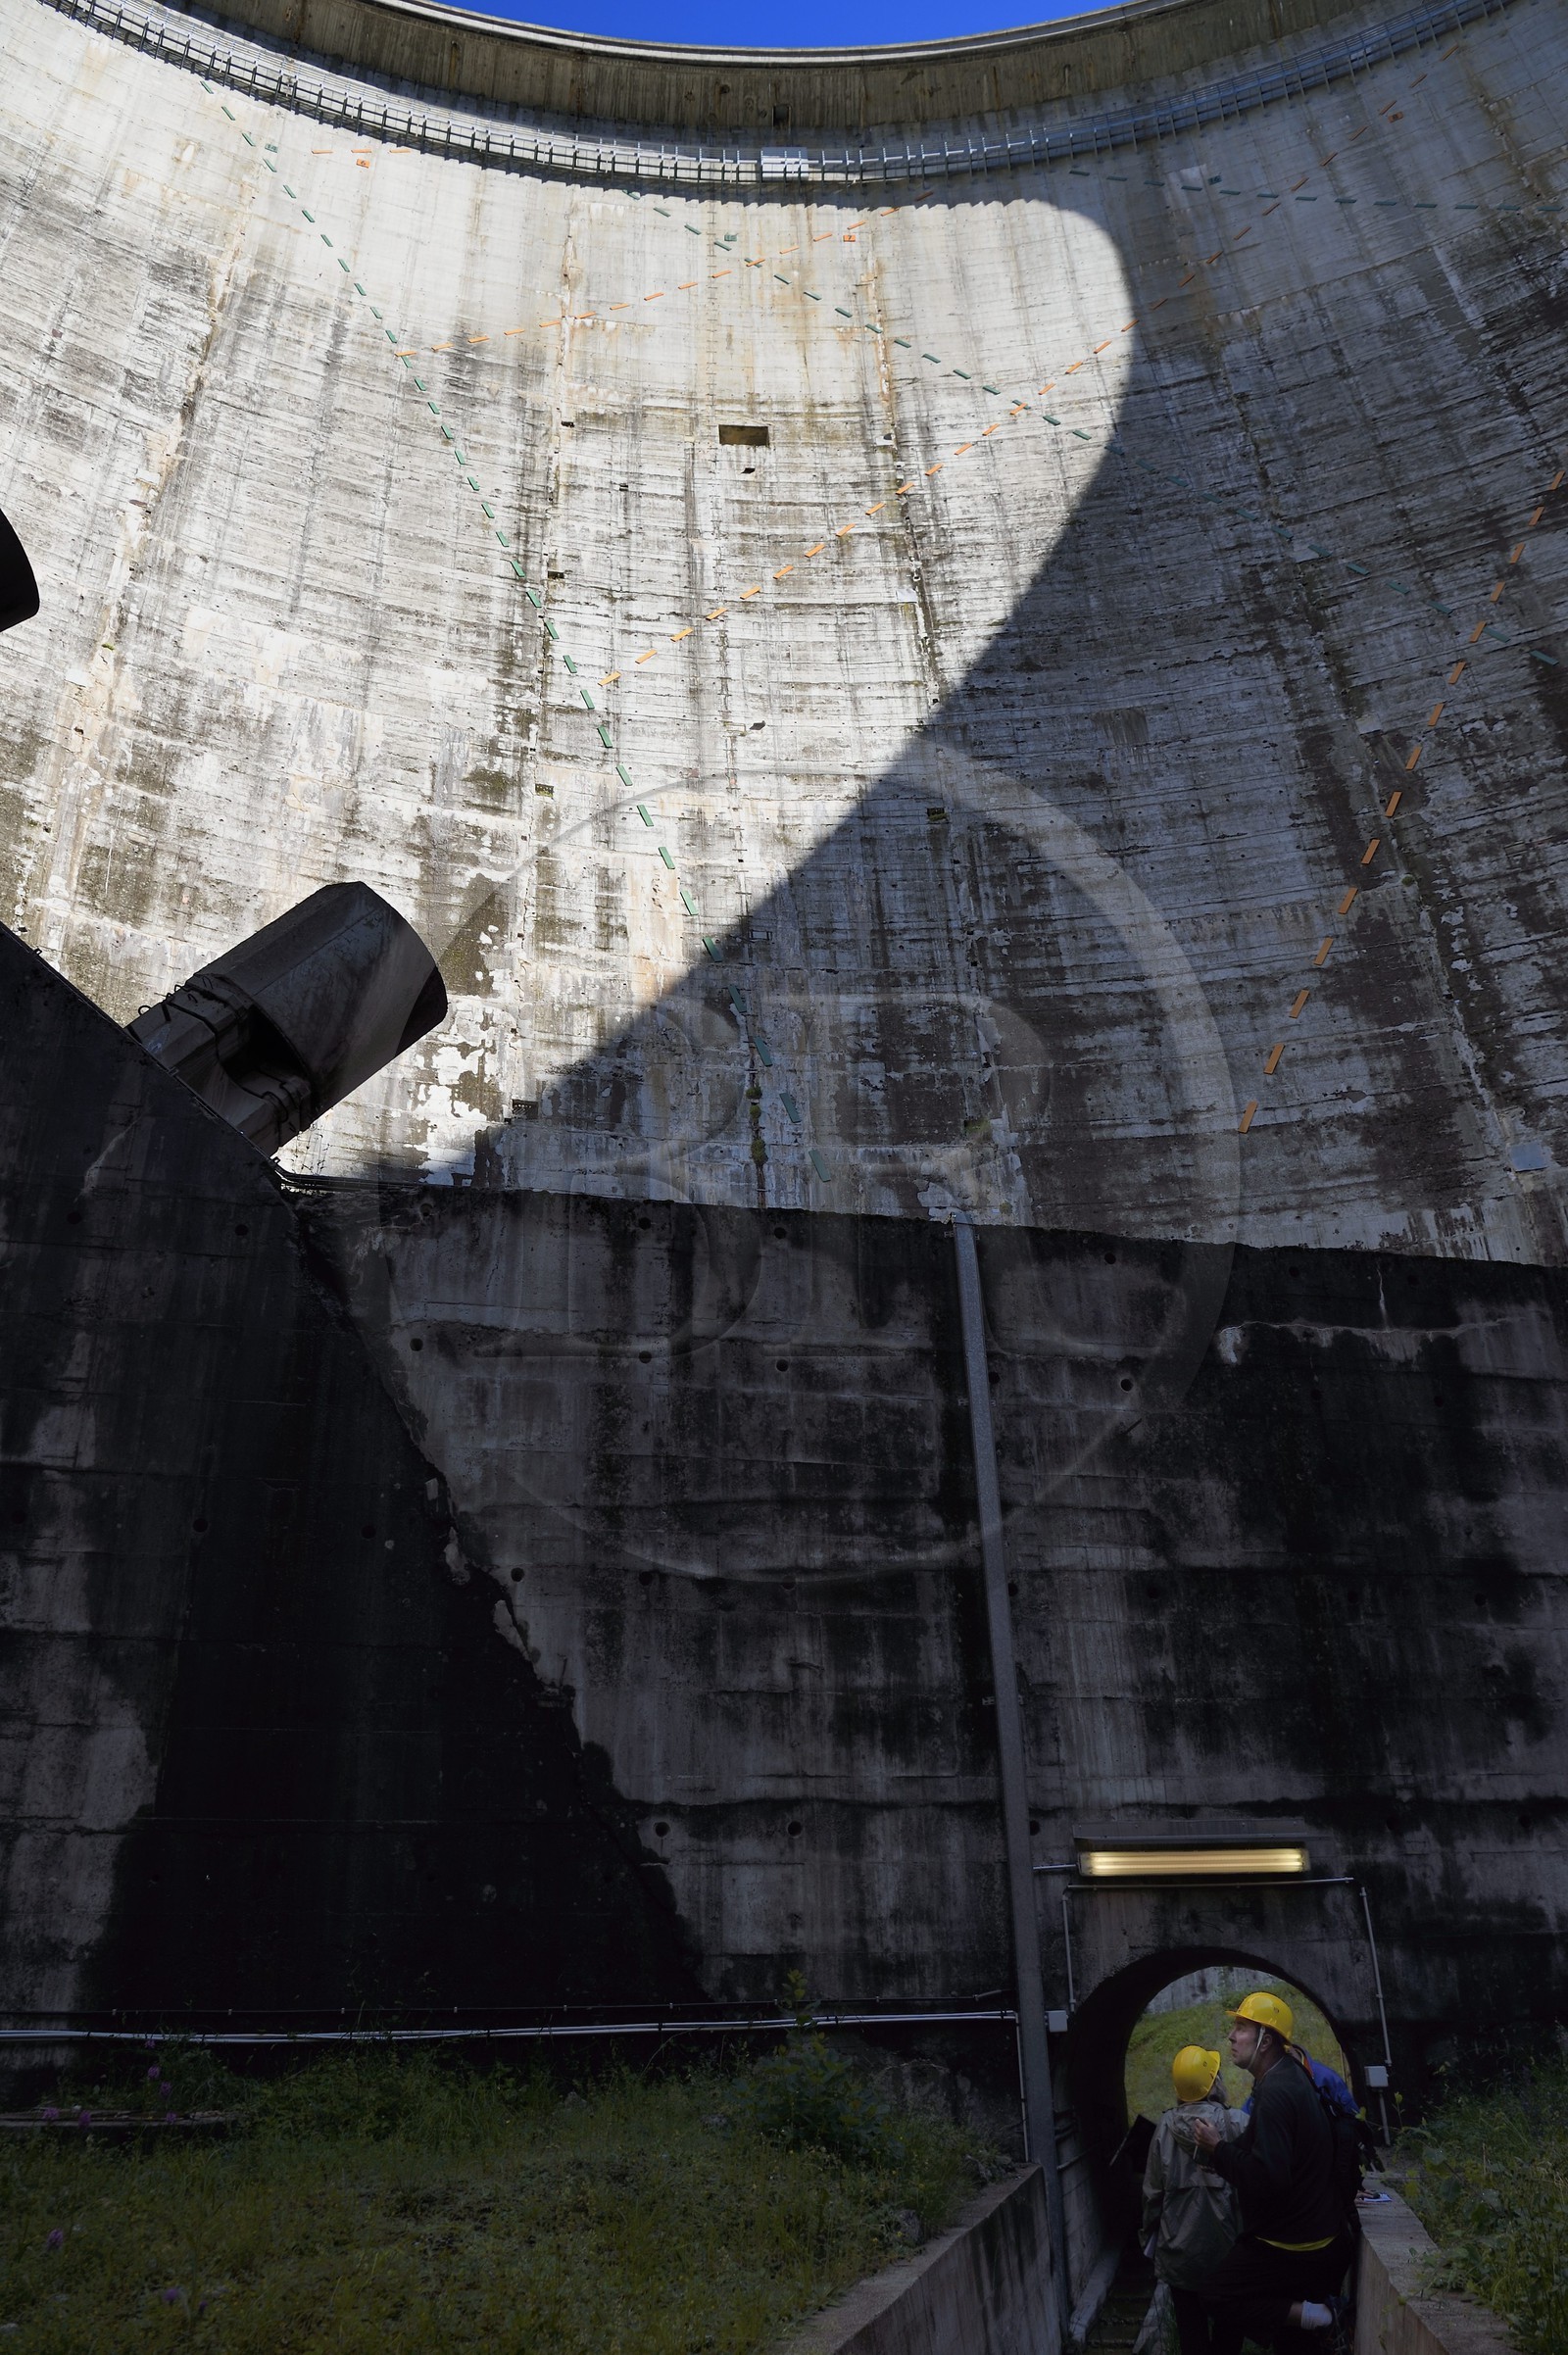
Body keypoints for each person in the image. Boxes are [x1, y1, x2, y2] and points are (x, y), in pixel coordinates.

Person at [1191, 1991, 1354, 2351]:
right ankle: (1309, 2322)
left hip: (1294, 2245)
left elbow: (1270, 2179)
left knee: (1216, 2294)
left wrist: (1217, 2149)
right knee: (1292, 2343)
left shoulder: (1276, 2093)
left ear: (1266, 2040)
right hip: (1317, 2234)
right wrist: (1223, 2154)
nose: (1232, 2036)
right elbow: (1259, 2151)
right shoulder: (1288, 2075)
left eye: (1241, 2027)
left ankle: (1321, 2317)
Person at [1140, 2045, 1249, 2354]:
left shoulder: (1163, 2129)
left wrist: (1149, 2237)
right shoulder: (1237, 2123)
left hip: (1180, 2256)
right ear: (1215, 2083)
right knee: (1230, 2333)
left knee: (1191, 2337)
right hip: (1229, 2252)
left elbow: (1152, 2195)